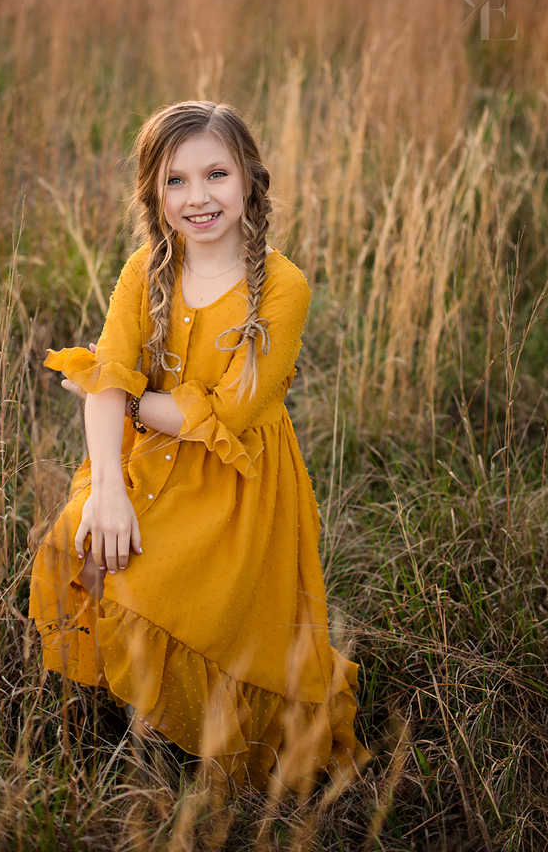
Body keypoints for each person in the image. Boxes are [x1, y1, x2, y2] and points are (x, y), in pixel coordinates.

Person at [29, 100, 369, 794]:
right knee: (84, 537)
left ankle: (176, 726)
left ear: (249, 177)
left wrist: (116, 388)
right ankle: (140, 709)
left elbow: (229, 414)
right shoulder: (142, 271)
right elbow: (108, 380)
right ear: (154, 192)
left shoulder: (280, 287)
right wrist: (106, 489)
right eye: (175, 181)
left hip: (235, 481)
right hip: (141, 465)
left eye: (215, 174)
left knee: (167, 584)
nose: (198, 197)